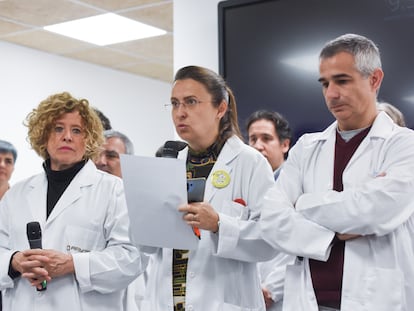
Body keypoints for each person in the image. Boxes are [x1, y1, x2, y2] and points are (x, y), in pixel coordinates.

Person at [260, 33, 414, 311]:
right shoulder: (306, 148)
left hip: (375, 298)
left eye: (342, 81)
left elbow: (375, 209)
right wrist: (331, 235)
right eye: (325, 83)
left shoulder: (404, 145)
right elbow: (272, 221)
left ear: (374, 79)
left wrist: (302, 204)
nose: (331, 93)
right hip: (307, 299)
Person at [140, 65, 277, 311]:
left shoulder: (250, 162)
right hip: (167, 301)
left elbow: (270, 241)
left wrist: (218, 224)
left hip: (222, 302)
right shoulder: (168, 163)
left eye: (190, 102)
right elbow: (148, 247)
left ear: (220, 108)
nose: (180, 113)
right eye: (174, 103)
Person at [0, 91, 146, 311]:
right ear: (43, 135)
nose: (67, 136)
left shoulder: (114, 191)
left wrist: (73, 264)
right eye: (58, 128)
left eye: (76, 130)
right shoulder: (16, 195)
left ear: (88, 139)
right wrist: (14, 261)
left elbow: (131, 259)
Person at [246, 110, 294, 310]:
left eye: (266, 139)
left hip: (280, 295)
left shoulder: (295, 186)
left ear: (285, 144)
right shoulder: (246, 183)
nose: (258, 146)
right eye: (252, 139)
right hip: (247, 291)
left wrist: (271, 289)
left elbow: (299, 247)